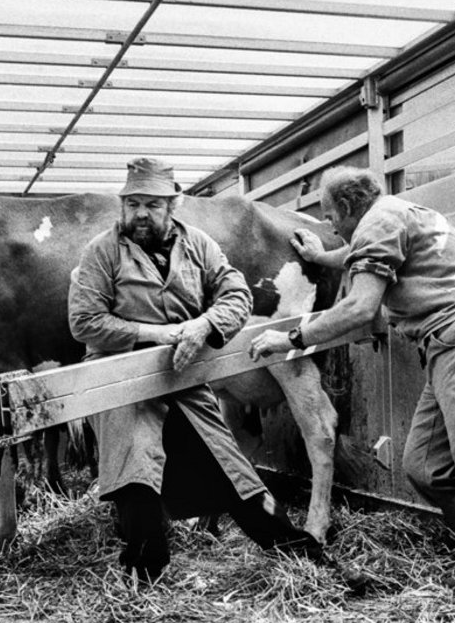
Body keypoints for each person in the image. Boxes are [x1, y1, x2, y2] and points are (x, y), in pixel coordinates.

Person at [249, 166, 455, 593]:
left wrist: (291, 338)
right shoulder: (399, 212)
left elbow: (360, 307)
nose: (329, 225)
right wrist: (322, 258)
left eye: (329, 214)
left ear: (347, 206)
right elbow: (360, 252)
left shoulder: (378, 223)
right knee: (426, 466)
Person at [67, 158, 367, 592]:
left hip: (183, 380)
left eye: (152, 204)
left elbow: (237, 295)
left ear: (172, 206)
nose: (141, 214)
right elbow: (84, 321)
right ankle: (142, 582)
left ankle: (308, 561)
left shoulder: (198, 245)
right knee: (137, 478)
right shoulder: (102, 251)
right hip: (125, 386)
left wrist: (204, 325)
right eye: (133, 204)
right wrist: (157, 333)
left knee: (236, 475)